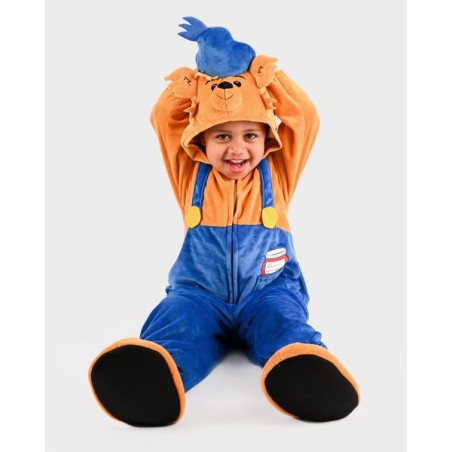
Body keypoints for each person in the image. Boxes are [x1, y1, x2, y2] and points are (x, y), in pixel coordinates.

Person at [88, 17, 360, 427]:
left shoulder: (279, 172)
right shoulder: (189, 172)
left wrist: (261, 75)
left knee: (284, 322)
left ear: (267, 139)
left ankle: (304, 367)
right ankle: (156, 376)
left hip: (267, 291)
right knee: (177, 319)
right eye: (222, 136)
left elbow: (304, 115)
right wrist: (199, 83)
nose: (237, 149)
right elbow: (164, 116)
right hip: (200, 293)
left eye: (250, 135)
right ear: (201, 141)